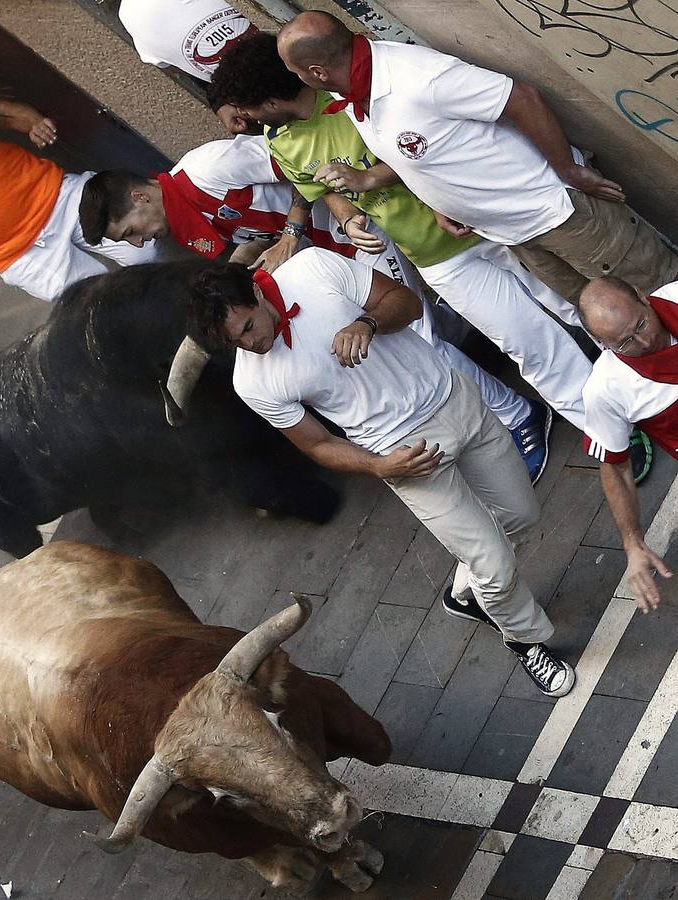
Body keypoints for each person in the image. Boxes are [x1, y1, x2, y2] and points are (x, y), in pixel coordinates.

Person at [188, 247, 577, 697]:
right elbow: (318, 443)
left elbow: (407, 303)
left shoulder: (314, 267)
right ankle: (524, 638)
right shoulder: (251, 382)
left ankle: (465, 589)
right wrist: (379, 466)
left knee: (522, 517)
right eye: (236, 343)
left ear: (256, 290)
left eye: (248, 328)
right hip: (402, 455)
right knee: (495, 563)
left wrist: (367, 323)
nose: (251, 345)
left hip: (455, 399)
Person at [79, 138, 547, 479]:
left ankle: (517, 415)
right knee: (423, 331)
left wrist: (293, 231)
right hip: (330, 263)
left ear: (140, 197)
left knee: (416, 336)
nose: (140, 243)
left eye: (131, 232)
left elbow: (300, 163)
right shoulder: (184, 226)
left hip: (358, 229)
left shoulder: (209, 168)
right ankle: (482, 405)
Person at [209, 33, 592, 440]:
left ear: (269, 102)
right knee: (527, 345)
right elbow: (323, 189)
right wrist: (349, 217)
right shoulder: (278, 139)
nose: (246, 120)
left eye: (248, 108)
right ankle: (604, 428)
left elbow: (418, 145)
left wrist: (370, 176)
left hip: (480, 222)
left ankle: (649, 383)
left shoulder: (348, 99)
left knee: (573, 303)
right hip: (434, 257)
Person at [276, 11, 678, 305]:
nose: (299, 80)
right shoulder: (353, 96)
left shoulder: (417, 78)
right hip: (517, 233)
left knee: (661, 296)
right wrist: (438, 201)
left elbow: (522, 98)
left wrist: (568, 169)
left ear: (318, 72)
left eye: (296, 72)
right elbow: (422, 150)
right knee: (612, 324)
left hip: (562, 212)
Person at [0, 94, 159, 304]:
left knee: (147, 253)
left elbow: (0, 113)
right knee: (100, 304)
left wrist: (35, 123)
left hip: (57, 197)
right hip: (15, 253)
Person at [580, 276, 678, 612]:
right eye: (626, 342)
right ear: (602, 343)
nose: (646, 340)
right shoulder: (605, 390)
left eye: (641, 324)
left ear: (641, 296)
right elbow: (615, 466)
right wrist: (633, 544)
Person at [118, 0, 260, 136]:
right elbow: (180, 63)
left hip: (258, 100)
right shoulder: (133, 15)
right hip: (258, 103)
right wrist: (220, 101)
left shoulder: (130, 15)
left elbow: (177, 63)